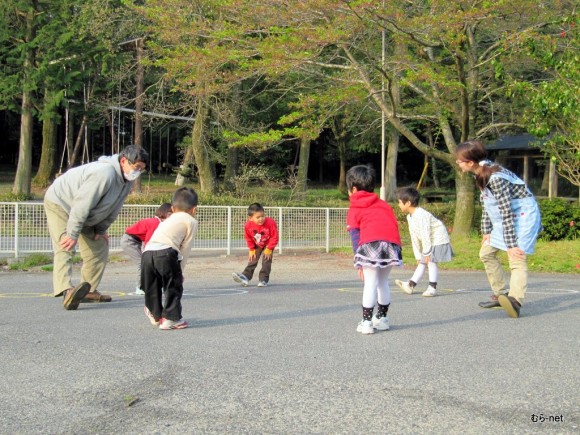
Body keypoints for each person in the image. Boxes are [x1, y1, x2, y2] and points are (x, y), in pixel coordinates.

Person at [44, 145, 149, 310]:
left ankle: (88, 290)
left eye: (141, 170)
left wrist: (100, 230)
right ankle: (66, 290)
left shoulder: (127, 181)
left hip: (86, 212)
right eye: (136, 168)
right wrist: (72, 234)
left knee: (99, 246)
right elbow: (81, 205)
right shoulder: (104, 173)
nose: (138, 173)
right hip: (62, 203)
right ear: (123, 161)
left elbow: (114, 208)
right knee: (65, 245)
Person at [455, 140, 541, 318]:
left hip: (523, 216)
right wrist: (486, 231)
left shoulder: (496, 178)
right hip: (506, 217)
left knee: (516, 257)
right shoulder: (482, 172)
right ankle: (501, 295)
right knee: (486, 253)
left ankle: (515, 301)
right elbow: (488, 204)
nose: (457, 163)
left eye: (459, 160)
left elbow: (506, 211)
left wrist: (511, 245)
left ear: (471, 162)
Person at [346, 165, 403, 334]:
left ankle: (366, 323)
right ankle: (382, 319)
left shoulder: (355, 207)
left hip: (370, 244)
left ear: (354, 189)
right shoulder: (384, 205)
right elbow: (392, 227)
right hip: (392, 244)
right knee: (383, 282)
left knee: (370, 283)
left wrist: (359, 263)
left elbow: (355, 236)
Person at [142, 187, 199, 330]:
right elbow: (185, 248)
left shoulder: (168, 219)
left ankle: (155, 315)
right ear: (194, 209)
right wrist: (180, 271)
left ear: (173, 208)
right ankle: (170, 319)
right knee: (173, 285)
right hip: (167, 252)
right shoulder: (191, 221)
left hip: (147, 252)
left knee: (152, 285)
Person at [395, 187, 454, 297]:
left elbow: (425, 234)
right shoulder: (410, 217)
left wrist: (426, 253)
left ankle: (432, 288)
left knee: (431, 261)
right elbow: (414, 237)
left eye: (400, 202)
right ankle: (410, 285)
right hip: (430, 240)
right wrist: (418, 255)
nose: (399, 205)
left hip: (438, 237)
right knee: (423, 262)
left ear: (408, 203)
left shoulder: (421, 215)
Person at [120, 203, 172, 295]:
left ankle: (151, 285)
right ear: (168, 214)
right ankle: (140, 287)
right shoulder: (155, 223)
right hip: (129, 241)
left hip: (135, 241)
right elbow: (149, 241)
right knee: (142, 263)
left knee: (148, 263)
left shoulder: (158, 223)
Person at [232, 203, 279, 287]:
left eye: (262, 216)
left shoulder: (270, 223)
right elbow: (248, 238)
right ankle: (245, 276)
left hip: (268, 244)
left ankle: (263, 279)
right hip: (257, 244)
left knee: (266, 261)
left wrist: (269, 248)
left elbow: (274, 237)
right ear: (250, 218)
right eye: (258, 217)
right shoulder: (248, 225)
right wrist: (251, 249)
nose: (261, 219)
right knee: (252, 260)